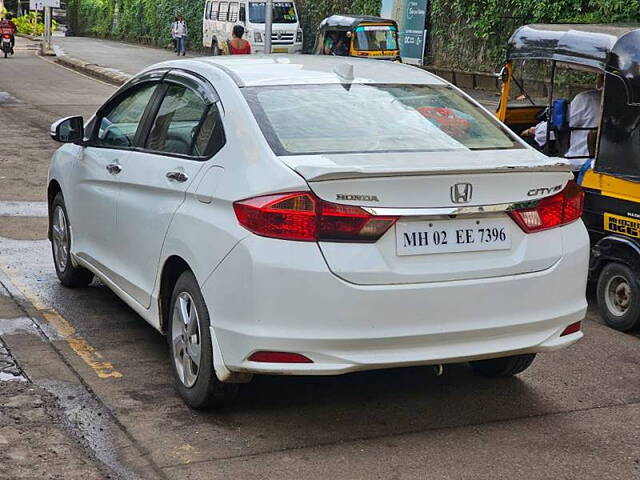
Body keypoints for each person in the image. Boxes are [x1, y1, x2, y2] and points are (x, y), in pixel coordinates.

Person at [522, 74, 604, 172]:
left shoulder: (586, 99)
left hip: (579, 163)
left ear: (601, 79)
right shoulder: (623, 103)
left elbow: (558, 125)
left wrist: (533, 131)